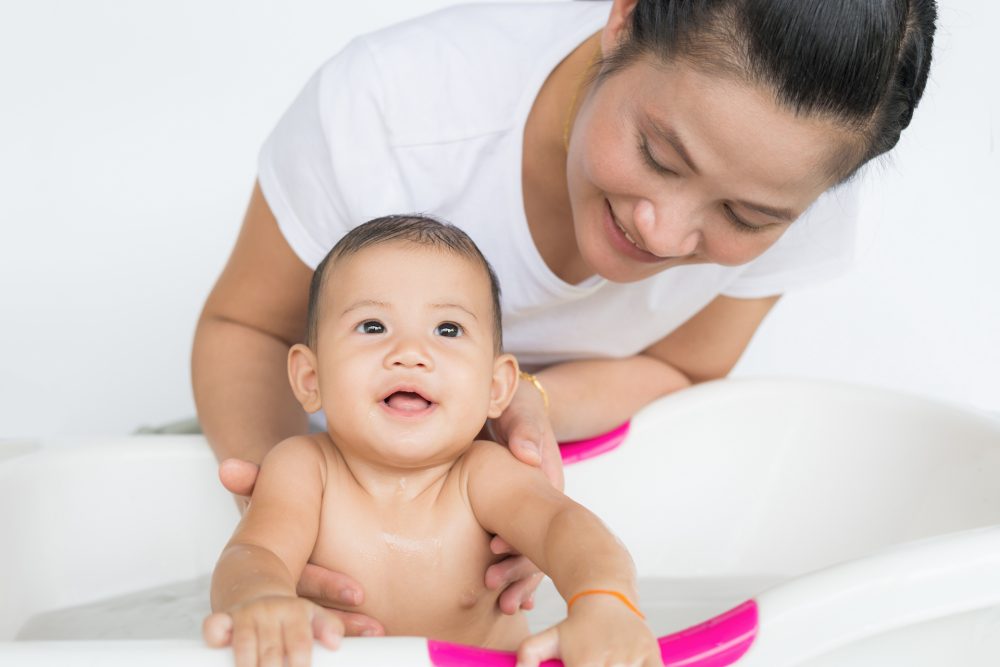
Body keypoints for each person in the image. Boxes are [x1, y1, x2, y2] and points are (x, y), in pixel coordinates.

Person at [192, 0, 937, 637]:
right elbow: (247, 327)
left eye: (744, 214)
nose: (665, 231)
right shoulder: (388, 112)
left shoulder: (806, 181)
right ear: (622, 20)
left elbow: (683, 371)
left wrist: (534, 408)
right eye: (660, 153)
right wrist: (291, 540)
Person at [201, 215, 661, 667]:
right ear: (309, 377)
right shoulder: (303, 470)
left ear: (497, 387)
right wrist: (262, 600)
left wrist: (605, 601)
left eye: (448, 330)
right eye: (373, 326)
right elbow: (254, 553)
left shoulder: (484, 474)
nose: (410, 354)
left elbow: (568, 528)